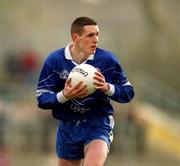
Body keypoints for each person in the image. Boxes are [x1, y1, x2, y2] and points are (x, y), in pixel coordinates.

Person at [36, 16, 134, 166]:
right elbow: (42, 98)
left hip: (98, 123)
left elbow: (128, 92)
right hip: (68, 125)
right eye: (90, 35)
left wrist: (107, 87)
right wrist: (65, 95)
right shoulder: (55, 60)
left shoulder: (107, 60)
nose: (96, 39)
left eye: (97, 34)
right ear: (76, 37)